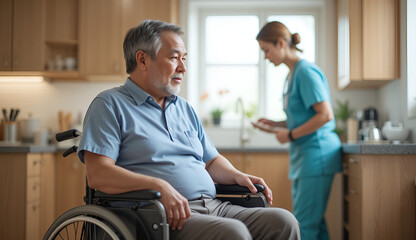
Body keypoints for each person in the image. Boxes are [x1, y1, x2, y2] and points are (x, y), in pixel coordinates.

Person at [77, 19, 300, 240]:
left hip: (215, 206)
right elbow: (99, 174)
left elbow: (211, 161)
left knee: (283, 222)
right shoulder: (109, 104)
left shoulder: (183, 108)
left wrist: (236, 175)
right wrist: (159, 186)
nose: (183, 68)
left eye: (184, 59)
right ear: (142, 60)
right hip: (157, 216)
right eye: (174, 58)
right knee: (233, 233)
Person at [253, 21, 342, 240]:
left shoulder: (305, 72)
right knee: (315, 223)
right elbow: (302, 116)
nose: (265, 56)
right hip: (305, 157)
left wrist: (290, 134)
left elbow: (325, 115)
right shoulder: (291, 74)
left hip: (317, 154)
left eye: (267, 50)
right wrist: (275, 124)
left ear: (281, 43)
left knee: (304, 223)